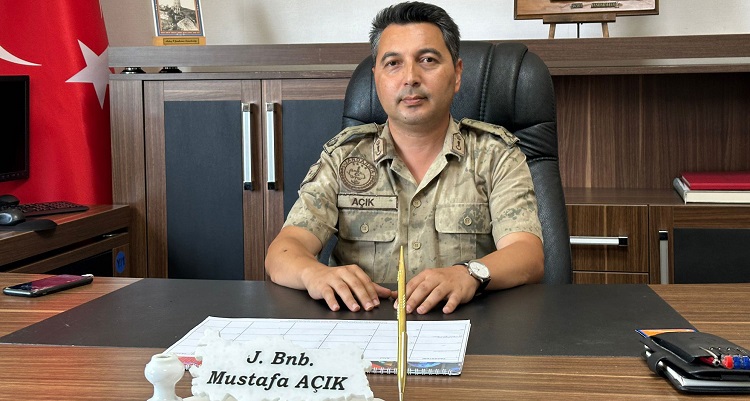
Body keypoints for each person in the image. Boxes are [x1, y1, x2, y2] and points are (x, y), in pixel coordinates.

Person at [265, 1, 544, 315]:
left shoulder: (495, 155)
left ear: (457, 74)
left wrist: (469, 273)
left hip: (465, 324)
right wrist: (313, 273)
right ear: (376, 78)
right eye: (393, 63)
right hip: (363, 324)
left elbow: (527, 254)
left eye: (427, 60)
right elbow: (284, 250)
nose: (410, 77)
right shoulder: (344, 158)